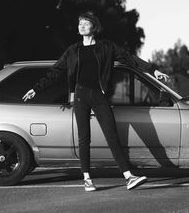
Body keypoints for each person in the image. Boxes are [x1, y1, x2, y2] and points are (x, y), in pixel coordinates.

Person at [22, 11, 169, 191]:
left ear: (95, 26)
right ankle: (87, 178)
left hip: (99, 96)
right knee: (84, 138)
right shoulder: (73, 51)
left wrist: (153, 70)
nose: (81, 26)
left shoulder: (107, 47)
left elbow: (130, 59)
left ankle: (129, 177)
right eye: (80, 23)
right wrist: (36, 89)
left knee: (112, 136)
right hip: (81, 96)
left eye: (85, 23)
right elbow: (55, 72)